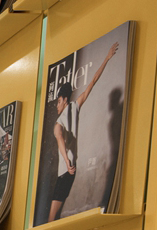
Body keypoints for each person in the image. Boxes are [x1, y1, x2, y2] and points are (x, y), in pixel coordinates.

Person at [46, 40, 122, 220]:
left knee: (51, 217)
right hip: (72, 171)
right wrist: (107, 58)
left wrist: (66, 161)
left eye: (58, 101)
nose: (57, 105)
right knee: (56, 214)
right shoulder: (76, 106)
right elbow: (93, 81)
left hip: (65, 171)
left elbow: (59, 138)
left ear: (64, 100)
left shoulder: (59, 121)